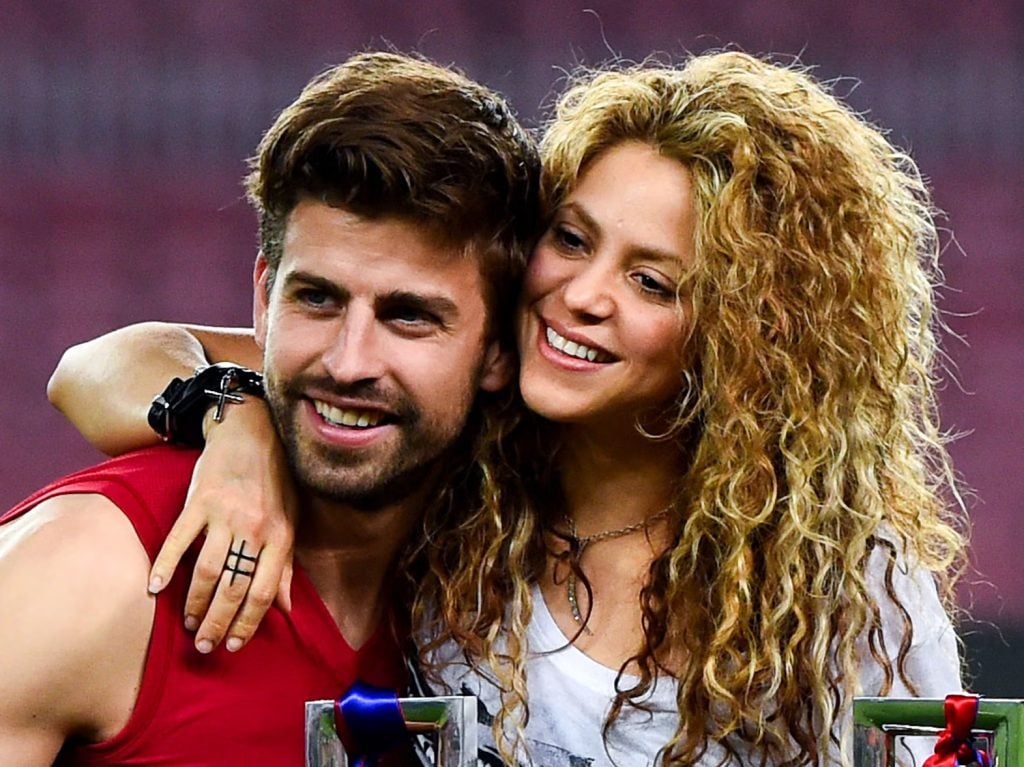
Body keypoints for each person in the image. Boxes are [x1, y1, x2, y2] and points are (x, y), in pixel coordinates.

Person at [47, 51, 966, 766]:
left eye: (650, 280)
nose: (582, 294)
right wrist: (234, 421)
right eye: (572, 238)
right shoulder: (449, 443)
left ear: (743, 335)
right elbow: (97, 366)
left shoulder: (848, 587)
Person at [0, 50, 539, 766]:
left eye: (408, 316)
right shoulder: (90, 572)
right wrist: (229, 411)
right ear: (263, 298)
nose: (347, 362)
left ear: (500, 347)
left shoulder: (514, 570)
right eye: (316, 298)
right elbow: (88, 366)